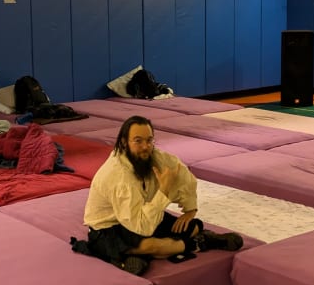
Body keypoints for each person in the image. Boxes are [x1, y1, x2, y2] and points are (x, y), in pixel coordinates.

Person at [80, 115, 243, 275]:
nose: (145, 146)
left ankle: (138, 255)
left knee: (191, 227)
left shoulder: (155, 157)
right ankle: (198, 243)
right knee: (152, 245)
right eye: (138, 141)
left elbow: (184, 176)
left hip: (141, 214)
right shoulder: (119, 175)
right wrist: (164, 191)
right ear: (124, 143)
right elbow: (142, 228)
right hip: (108, 227)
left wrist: (190, 208)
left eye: (149, 140)